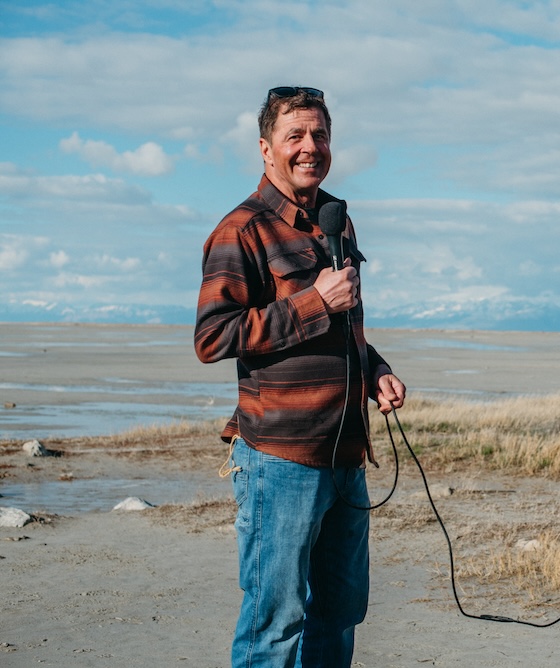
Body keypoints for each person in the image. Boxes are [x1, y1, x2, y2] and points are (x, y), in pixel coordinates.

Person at [194, 86, 406, 668]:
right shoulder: (242, 229)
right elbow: (212, 338)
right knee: (275, 624)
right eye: (295, 136)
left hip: (345, 456)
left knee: (338, 617)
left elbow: (342, 327)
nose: (310, 147)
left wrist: (374, 369)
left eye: (320, 135)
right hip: (280, 461)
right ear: (266, 149)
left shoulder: (338, 220)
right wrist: (313, 300)